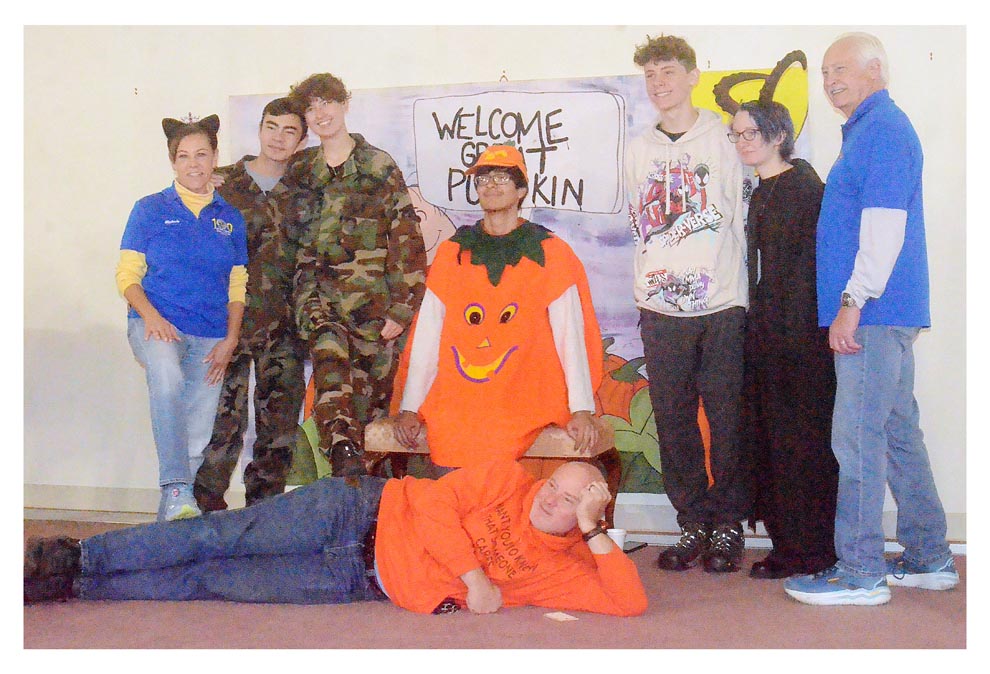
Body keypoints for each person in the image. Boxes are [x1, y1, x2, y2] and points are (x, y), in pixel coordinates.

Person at [784, 32, 959, 606]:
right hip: (887, 311)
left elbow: (884, 228)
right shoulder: (870, 130)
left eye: (842, 69)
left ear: (876, 70)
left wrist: (852, 303)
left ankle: (859, 572)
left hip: (874, 312)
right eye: (825, 72)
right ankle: (929, 556)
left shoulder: (882, 130)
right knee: (897, 432)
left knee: (857, 437)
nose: (830, 80)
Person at [23, 459, 648, 617]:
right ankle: (73, 554)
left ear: (588, 515)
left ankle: (73, 586)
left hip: (355, 580)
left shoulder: (564, 568)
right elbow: (433, 504)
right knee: (217, 534)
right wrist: (474, 578)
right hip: (353, 510)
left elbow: (628, 602)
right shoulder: (509, 480)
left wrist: (595, 531)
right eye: (553, 484)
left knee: (212, 580)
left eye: (569, 499)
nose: (549, 497)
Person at [391, 145, 606, 476]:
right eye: (483, 178)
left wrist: (581, 408)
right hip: (459, 394)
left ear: (521, 190)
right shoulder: (452, 253)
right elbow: (427, 335)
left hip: (524, 392)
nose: (491, 185)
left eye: (502, 177)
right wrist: (409, 407)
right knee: (450, 435)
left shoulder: (551, 252)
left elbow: (571, 336)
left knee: (500, 438)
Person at [624, 35, 749, 573]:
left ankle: (728, 525)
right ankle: (692, 523)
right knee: (673, 423)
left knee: (727, 420)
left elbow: (740, 215)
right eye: (651, 75)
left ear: (694, 75)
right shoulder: (638, 148)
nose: (659, 84)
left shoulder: (724, 139)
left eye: (669, 72)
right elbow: (639, 224)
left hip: (721, 305)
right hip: (660, 310)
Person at [284, 73, 427, 476]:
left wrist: (401, 309)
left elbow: (406, 238)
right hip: (318, 304)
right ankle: (342, 453)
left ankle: (367, 493)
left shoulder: (378, 166)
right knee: (330, 374)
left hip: (372, 312)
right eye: (310, 107)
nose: (320, 113)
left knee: (369, 414)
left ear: (344, 104)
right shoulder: (300, 170)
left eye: (327, 102)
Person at [115, 115, 247, 521]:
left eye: (202, 155)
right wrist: (152, 318)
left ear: (214, 159)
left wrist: (230, 339)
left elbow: (237, 286)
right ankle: (175, 487)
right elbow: (127, 276)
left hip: (211, 335)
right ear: (173, 162)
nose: (194, 164)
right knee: (168, 378)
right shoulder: (149, 209)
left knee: (198, 433)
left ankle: (172, 516)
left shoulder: (231, 218)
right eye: (184, 156)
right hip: (158, 325)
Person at [728, 100, 838, 579]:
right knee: (772, 442)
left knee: (803, 446)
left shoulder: (804, 188)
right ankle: (787, 545)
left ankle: (812, 550)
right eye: (736, 134)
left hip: (802, 343)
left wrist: (796, 337)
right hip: (769, 338)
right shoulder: (762, 190)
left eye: (751, 133)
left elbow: (812, 272)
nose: (742, 142)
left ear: (779, 136)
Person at [193, 97, 311, 511]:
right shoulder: (222, 184)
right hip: (226, 325)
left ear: (302, 140)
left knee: (278, 430)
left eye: (290, 130)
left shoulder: (308, 191)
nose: (278, 138)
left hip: (285, 329)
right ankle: (205, 516)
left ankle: (264, 519)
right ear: (259, 129)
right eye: (271, 127)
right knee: (219, 424)